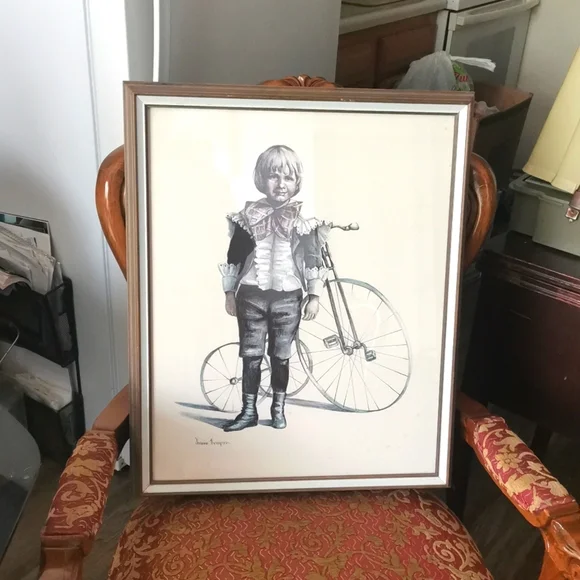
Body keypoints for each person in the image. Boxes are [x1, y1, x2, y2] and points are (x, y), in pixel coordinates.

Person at [218, 144, 329, 432]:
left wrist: (314, 296)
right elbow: (234, 257)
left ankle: (278, 409)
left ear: (297, 182)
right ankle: (248, 411)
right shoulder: (246, 219)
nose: (281, 184)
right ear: (261, 178)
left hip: (288, 300)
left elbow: (312, 259)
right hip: (250, 297)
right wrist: (229, 293)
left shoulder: (304, 224)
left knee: (281, 356)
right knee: (251, 355)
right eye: (273, 176)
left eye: (288, 178)